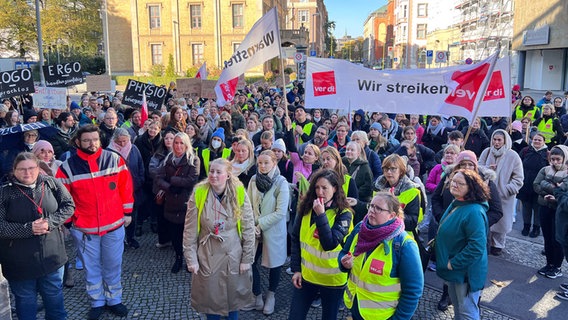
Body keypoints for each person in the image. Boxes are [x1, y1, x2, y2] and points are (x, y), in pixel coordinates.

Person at [56, 124, 134, 320]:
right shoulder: (66, 167)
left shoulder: (114, 159)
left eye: (95, 139)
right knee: (91, 267)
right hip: (84, 228)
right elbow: (63, 197)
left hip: (114, 224)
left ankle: (114, 299)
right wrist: (69, 222)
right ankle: (97, 301)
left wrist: (127, 212)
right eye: (87, 140)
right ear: (77, 142)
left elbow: (126, 187)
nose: (92, 144)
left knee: (113, 264)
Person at [0, 152, 75, 320]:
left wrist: (50, 222)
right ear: (14, 170)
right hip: (19, 262)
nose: (27, 173)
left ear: (39, 168)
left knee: (55, 304)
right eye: (22, 169)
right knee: (26, 305)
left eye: (31, 168)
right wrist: (29, 229)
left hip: (52, 257)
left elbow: (68, 205)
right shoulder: (4, 192)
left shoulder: (51, 183)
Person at [431, 150, 503, 311]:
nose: (467, 167)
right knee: (456, 297)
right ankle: (446, 296)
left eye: (470, 164)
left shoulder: (483, 188)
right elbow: (436, 198)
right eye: (463, 164)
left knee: (467, 304)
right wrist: (445, 218)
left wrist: (476, 224)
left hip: (468, 240)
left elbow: (496, 211)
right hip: (451, 237)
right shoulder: (451, 180)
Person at [183, 158, 255, 319]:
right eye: (211, 171)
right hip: (208, 255)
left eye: (218, 172)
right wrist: (191, 259)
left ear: (228, 175)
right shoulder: (200, 192)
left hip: (233, 254)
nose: (213, 175)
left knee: (233, 300)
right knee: (210, 301)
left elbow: (248, 228)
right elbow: (189, 230)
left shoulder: (239, 193)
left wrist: (246, 259)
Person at [339, 192, 423, 319]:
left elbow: (413, 291)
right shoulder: (360, 229)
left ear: (392, 215)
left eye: (378, 208)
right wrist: (343, 263)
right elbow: (344, 253)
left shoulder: (404, 245)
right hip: (356, 308)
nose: (372, 210)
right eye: (371, 206)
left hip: (383, 315)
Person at [287, 169, 353, 320]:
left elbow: (329, 244)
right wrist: (296, 269)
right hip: (307, 276)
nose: (320, 192)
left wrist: (321, 215)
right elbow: (296, 239)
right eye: (317, 188)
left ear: (335, 188)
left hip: (332, 280)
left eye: (325, 188)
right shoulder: (306, 208)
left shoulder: (344, 214)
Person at [435, 169, 491, 320]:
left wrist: (452, 264)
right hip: (456, 271)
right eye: (453, 181)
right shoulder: (458, 203)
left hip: (465, 273)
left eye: (460, 183)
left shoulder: (473, 211)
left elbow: (477, 247)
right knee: (459, 310)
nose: (454, 185)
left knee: (467, 313)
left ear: (471, 187)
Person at [245, 150, 290, 315]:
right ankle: (256, 296)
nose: (262, 166)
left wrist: (260, 225)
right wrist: (251, 225)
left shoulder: (281, 182)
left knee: (275, 264)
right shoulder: (253, 180)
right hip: (255, 229)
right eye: (260, 163)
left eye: (266, 163)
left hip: (273, 231)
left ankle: (271, 295)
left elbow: (280, 212)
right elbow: (247, 205)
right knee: (249, 261)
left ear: (274, 163)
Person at [155, 132, 200, 273]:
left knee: (188, 234)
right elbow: (159, 177)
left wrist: (173, 181)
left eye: (181, 143)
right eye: (176, 142)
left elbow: (192, 179)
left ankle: (189, 259)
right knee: (175, 234)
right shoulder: (169, 158)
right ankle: (178, 257)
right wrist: (169, 187)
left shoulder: (193, 160)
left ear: (186, 144)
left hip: (187, 202)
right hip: (171, 201)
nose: (178, 145)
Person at [479, 129, 524, 256]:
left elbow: (518, 178)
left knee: (502, 220)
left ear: (505, 141)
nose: (496, 142)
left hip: (504, 195)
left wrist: (507, 189)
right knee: (487, 217)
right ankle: (486, 241)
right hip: (486, 192)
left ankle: (498, 244)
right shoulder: (487, 152)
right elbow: (478, 166)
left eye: (499, 140)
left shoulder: (513, 155)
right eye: (494, 139)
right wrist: (487, 169)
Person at [533, 145, 568, 279]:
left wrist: (547, 186)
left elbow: (563, 189)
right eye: (553, 159)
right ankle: (549, 263)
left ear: (564, 159)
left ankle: (557, 266)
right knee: (547, 237)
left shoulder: (566, 172)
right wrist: (550, 189)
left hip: (559, 210)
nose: (555, 162)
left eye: (558, 159)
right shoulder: (545, 169)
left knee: (557, 238)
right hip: (545, 206)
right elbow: (536, 184)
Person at [108, 128, 145, 249]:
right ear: (115, 140)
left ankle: (130, 237)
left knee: (132, 216)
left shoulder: (134, 149)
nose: (123, 144)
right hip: (116, 192)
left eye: (125, 141)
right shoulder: (109, 152)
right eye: (119, 142)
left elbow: (140, 166)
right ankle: (119, 240)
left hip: (134, 189)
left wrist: (138, 182)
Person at [374, 154, 424, 233]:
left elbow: (412, 222)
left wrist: (393, 207)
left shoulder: (412, 190)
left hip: (401, 236)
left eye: (393, 169)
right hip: (378, 232)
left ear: (401, 171)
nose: (389, 172)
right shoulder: (377, 186)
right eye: (386, 168)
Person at [517, 133, 549, 237]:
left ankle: (536, 228)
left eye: (539, 140)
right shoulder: (525, 151)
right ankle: (526, 226)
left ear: (544, 142)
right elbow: (518, 165)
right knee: (526, 207)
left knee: (537, 208)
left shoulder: (548, 154)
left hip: (539, 186)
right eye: (535, 139)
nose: (537, 142)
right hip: (525, 184)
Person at [149, 130, 175, 248]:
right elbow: (152, 169)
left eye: (171, 138)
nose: (168, 140)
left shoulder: (179, 154)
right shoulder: (158, 154)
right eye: (166, 138)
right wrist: (164, 173)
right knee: (161, 216)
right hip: (159, 189)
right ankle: (163, 239)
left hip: (173, 190)